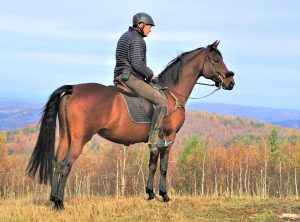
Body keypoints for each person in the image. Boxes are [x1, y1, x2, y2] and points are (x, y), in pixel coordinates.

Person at [114, 12, 173, 149]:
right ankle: (153, 139)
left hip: (120, 75)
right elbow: (137, 64)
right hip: (130, 78)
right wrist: (151, 75)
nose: (150, 30)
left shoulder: (126, 35)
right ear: (141, 25)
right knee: (162, 101)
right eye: (149, 27)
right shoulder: (138, 40)